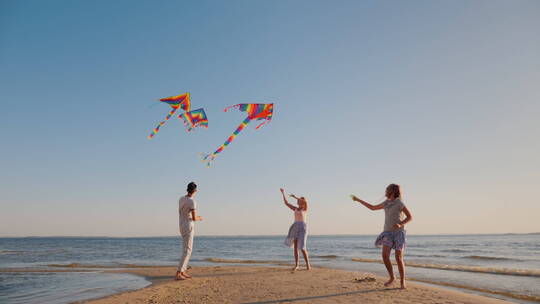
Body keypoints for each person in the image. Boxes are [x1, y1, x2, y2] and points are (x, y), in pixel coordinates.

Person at [352, 184, 413, 289]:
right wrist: (358, 200)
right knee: (385, 256)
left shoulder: (399, 203)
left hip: (399, 233)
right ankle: (392, 277)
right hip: (387, 233)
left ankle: (402, 282)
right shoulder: (386, 203)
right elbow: (372, 207)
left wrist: (400, 224)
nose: (385, 191)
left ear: (393, 191)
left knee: (398, 258)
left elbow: (410, 217)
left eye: (387, 189)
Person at [175, 182, 203, 280]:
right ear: (195, 190)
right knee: (188, 250)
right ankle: (179, 273)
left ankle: (183, 271)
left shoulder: (181, 199)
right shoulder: (192, 201)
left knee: (186, 250)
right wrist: (200, 218)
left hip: (181, 225)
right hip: (188, 226)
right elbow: (194, 218)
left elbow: (184, 212)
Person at [280, 188, 311, 271]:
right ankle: (297, 265)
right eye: (299, 201)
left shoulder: (305, 209)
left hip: (303, 227)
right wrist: (283, 193)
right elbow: (286, 203)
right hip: (295, 226)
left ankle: (308, 264)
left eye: (301, 201)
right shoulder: (295, 209)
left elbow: (305, 202)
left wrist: (295, 197)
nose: (300, 202)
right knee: (296, 247)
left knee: (302, 247)